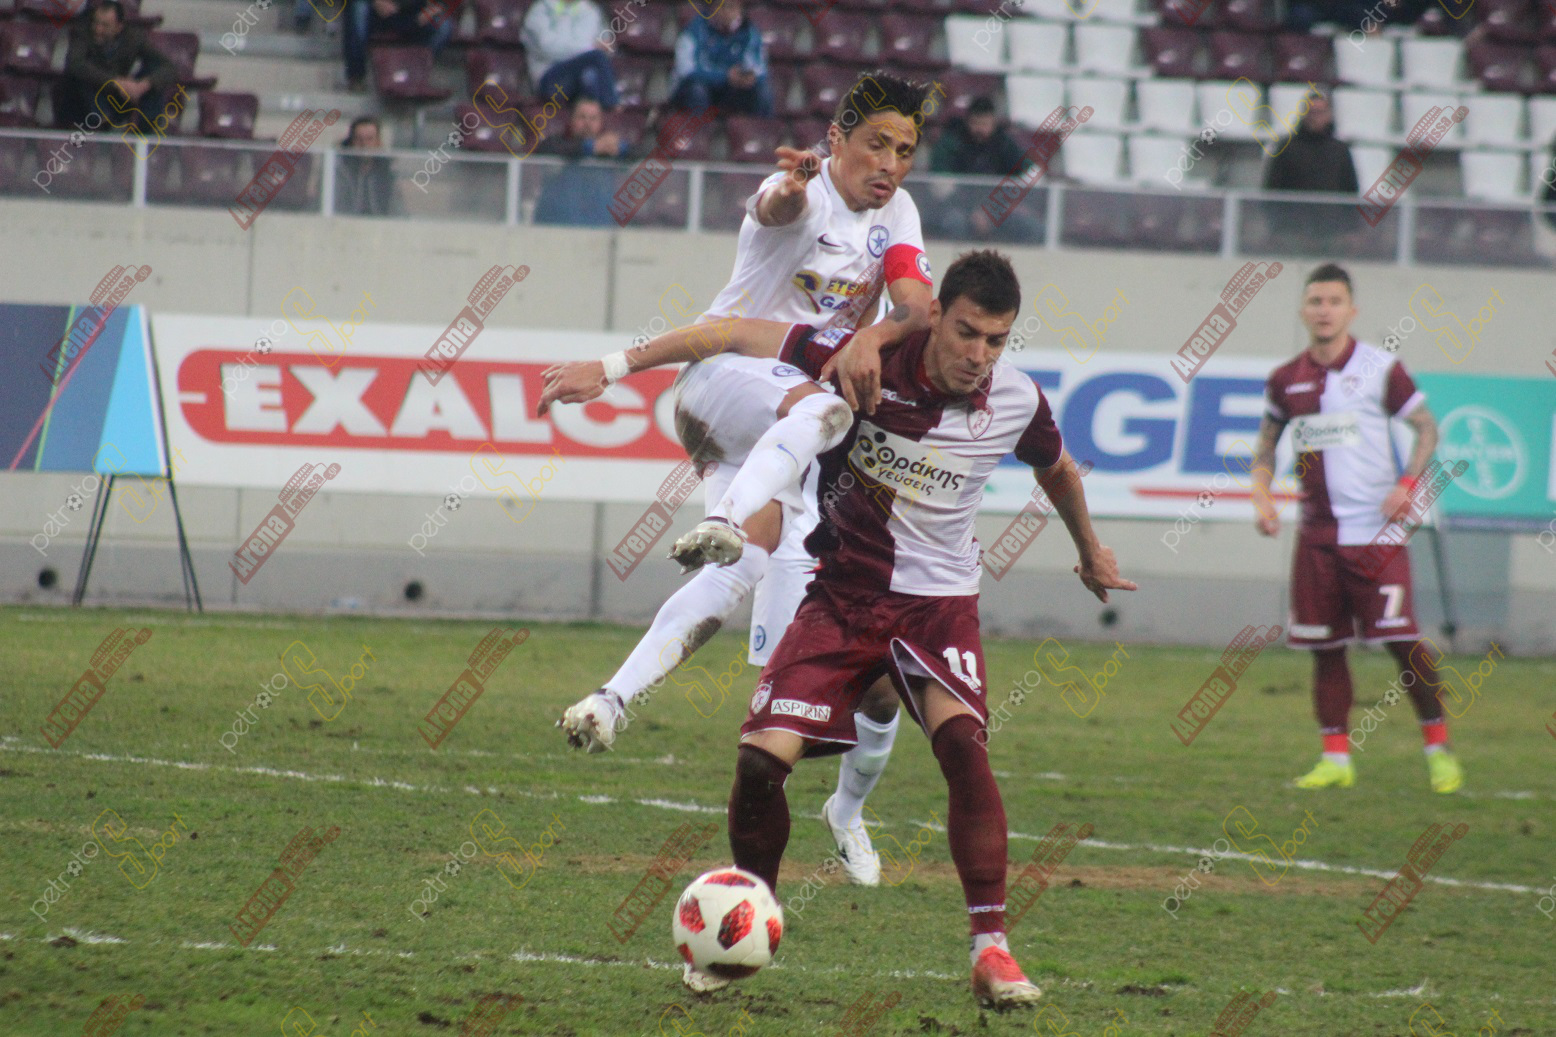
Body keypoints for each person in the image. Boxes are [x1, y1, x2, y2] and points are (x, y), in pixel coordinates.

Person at [548, 250, 1136, 1004]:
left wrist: (1089, 549)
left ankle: (992, 949)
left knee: (964, 747)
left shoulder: (1017, 399)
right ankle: (747, 917)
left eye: (996, 340)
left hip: (938, 605)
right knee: (759, 764)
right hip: (842, 594)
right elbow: (736, 335)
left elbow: (1055, 468)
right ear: (934, 317)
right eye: (967, 332)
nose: (979, 354)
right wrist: (615, 366)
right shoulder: (858, 362)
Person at [541, 72, 939, 906]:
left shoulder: (897, 215)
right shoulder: (797, 191)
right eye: (876, 144)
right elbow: (774, 210)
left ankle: (612, 700)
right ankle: (727, 521)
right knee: (823, 409)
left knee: (773, 587)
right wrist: (609, 368)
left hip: (781, 438)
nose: (890, 163)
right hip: (727, 381)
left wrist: (878, 336)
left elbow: (916, 306)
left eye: (905, 150)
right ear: (836, 139)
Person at [1247, 262, 1463, 794]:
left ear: (1351, 310)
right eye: (1315, 301)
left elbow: (1426, 428)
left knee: (1402, 642)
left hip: (1377, 534)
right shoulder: (1285, 379)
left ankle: (1439, 750)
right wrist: (1262, 498)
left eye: (1334, 301)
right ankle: (1335, 760)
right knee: (1325, 648)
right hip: (1318, 538)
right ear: (1303, 310)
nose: (1324, 311)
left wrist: (1407, 485)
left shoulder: (1380, 368)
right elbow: (1266, 447)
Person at [927, 96, 1042, 243]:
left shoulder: (1003, 143)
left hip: (997, 210)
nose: (980, 129)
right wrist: (972, 211)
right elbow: (940, 186)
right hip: (958, 208)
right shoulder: (952, 142)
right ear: (968, 121)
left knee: (1032, 228)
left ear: (993, 122)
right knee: (954, 223)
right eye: (976, 123)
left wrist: (993, 210)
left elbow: (1032, 173)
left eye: (985, 124)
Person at [57, 1, 179, 131]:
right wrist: (116, 82)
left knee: (153, 72)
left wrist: (142, 85)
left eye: (105, 25)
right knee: (81, 76)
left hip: (117, 98)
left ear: (119, 27)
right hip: (86, 100)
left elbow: (169, 67)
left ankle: (145, 129)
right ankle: (100, 122)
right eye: (96, 23)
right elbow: (75, 64)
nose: (98, 29)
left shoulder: (133, 37)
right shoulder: (83, 32)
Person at [1261, 90, 1360, 250]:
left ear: (1329, 115)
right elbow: (1271, 190)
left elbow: (1351, 191)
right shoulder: (1286, 148)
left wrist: (1352, 230)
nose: (1315, 117)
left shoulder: (1340, 151)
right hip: (1293, 234)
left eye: (1320, 112)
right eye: (1311, 112)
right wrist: (1276, 228)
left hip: (1331, 234)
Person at [533, 98, 631, 226]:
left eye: (593, 118)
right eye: (582, 117)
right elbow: (545, 149)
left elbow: (642, 152)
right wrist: (590, 147)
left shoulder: (608, 151)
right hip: (557, 226)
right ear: (571, 120)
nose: (587, 123)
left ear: (601, 122)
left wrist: (621, 148)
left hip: (600, 228)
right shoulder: (558, 143)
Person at [667, 0, 773, 118]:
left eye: (731, 7)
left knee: (762, 91)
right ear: (712, 8)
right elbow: (686, 70)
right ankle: (697, 129)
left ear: (739, 10)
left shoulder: (749, 32)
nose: (726, 12)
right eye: (721, 7)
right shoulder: (694, 30)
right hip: (699, 87)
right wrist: (724, 76)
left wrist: (748, 78)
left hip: (730, 91)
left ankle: (759, 129)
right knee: (697, 90)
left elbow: (760, 69)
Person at [521, 0, 618, 111]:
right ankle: (612, 106)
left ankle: (597, 117)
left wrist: (593, 49)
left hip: (580, 78)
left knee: (590, 77)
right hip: (550, 79)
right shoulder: (541, 9)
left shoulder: (591, 10)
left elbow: (607, 44)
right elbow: (547, 47)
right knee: (596, 56)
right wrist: (590, 48)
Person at [342, 0, 453, 92]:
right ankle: (357, 77)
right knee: (358, 7)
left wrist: (431, 11)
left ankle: (412, 74)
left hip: (414, 11)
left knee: (443, 27)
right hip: (376, 10)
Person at [336, 116, 396, 216]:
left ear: (378, 142)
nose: (364, 144)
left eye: (369, 139)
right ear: (351, 142)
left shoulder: (388, 174)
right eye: (358, 139)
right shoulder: (339, 171)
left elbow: (396, 209)